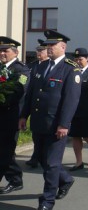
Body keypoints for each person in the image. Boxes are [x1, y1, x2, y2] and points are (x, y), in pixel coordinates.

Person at [19, 30, 81, 210]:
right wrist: (24, 115)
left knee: (52, 164)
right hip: (39, 123)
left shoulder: (71, 68)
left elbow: (71, 99)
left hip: (56, 125)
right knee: (45, 161)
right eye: (47, 46)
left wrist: (64, 124)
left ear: (63, 47)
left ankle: (47, 201)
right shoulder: (40, 66)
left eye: (52, 45)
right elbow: (32, 95)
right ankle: (66, 179)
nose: (48, 48)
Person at [0, 37, 30, 195]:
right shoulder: (0, 67)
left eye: (6, 50)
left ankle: (15, 180)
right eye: (1, 50)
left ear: (15, 52)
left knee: (6, 148)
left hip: (12, 115)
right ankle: (15, 178)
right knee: (5, 150)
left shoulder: (22, 70)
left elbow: (19, 90)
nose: (2, 53)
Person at [25, 39, 49, 169]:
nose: (38, 53)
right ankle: (36, 155)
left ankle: (39, 157)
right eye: (37, 50)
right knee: (35, 133)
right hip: (33, 102)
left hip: (44, 104)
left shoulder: (48, 66)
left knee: (43, 134)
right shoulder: (32, 65)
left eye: (41, 51)